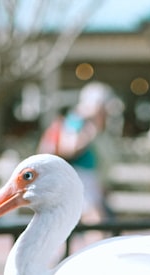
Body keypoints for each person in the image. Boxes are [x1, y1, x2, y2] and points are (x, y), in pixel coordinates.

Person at [51, 82, 115, 224]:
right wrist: (89, 133)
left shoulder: (91, 123)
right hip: (81, 175)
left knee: (95, 217)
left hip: (89, 177)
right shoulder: (79, 120)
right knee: (94, 218)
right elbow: (68, 148)